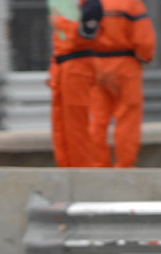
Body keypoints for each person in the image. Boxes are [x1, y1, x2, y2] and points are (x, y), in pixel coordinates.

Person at [89, 0, 155, 167]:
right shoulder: (131, 3)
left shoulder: (90, 2)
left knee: (97, 118)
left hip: (95, 64)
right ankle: (125, 164)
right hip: (125, 66)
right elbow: (144, 41)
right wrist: (144, 58)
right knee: (128, 115)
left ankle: (98, 164)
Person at [48, 0, 102, 167]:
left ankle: (81, 171)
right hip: (64, 67)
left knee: (76, 128)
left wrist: (59, 22)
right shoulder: (69, 7)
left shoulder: (91, 5)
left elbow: (85, 34)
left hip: (77, 68)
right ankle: (66, 169)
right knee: (61, 128)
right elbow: (61, 43)